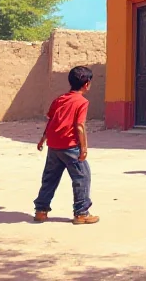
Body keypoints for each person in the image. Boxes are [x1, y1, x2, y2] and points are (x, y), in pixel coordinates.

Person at [33, 66, 99, 225]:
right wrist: (83, 148)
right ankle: (81, 212)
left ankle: (41, 211)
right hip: (70, 147)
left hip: (54, 145)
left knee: (50, 178)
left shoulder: (59, 99)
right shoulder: (82, 102)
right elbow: (80, 126)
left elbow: (51, 121)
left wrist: (43, 139)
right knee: (82, 176)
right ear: (87, 84)